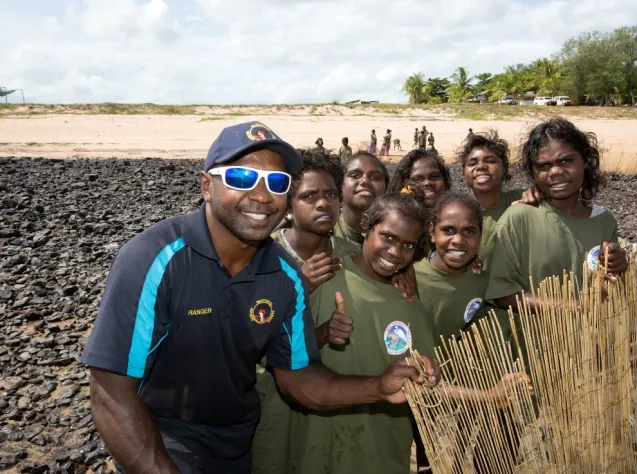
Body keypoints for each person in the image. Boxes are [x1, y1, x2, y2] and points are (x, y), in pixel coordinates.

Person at [81, 121, 438, 474]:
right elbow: (111, 394)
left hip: (239, 440)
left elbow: (299, 379)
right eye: (241, 178)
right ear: (206, 185)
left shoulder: (284, 277)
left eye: (276, 182)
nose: (262, 195)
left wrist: (378, 387)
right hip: (162, 434)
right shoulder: (153, 259)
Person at [287, 188, 438, 474]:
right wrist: (322, 333)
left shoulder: (407, 301)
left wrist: (429, 371)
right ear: (367, 226)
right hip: (318, 450)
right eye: (388, 237)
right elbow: (282, 356)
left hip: (383, 453)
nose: (395, 252)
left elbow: (426, 372)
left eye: (408, 245)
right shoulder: (325, 280)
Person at [254, 149, 358, 474]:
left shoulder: (354, 255)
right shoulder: (262, 257)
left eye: (330, 194)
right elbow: (254, 341)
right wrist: (299, 287)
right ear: (289, 204)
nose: (323, 203)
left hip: (336, 392)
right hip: (275, 399)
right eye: (309, 196)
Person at [486, 117, 628, 318]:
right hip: (537, 344)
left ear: (586, 161)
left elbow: (608, 285)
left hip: (595, 341)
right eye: (543, 166)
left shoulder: (604, 221)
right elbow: (502, 294)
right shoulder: (518, 218)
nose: (555, 172)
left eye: (566, 161)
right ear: (533, 173)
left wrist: (619, 264)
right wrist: (574, 307)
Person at [415, 192, 489, 346]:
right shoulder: (410, 280)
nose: (458, 240)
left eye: (469, 231)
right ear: (432, 232)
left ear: (480, 236)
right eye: (448, 230)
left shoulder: (483, 282)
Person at [460, 129, 537, 265]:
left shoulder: (524, 199)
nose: (481, 166)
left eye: (490, 161)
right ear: (464, 173)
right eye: (472, 163)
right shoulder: (459, 213)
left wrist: (538, 200)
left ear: (505, 168)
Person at [333, 151, 389, 247]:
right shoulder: (325, 232)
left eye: (375, 177)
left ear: (386, 187)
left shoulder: (395, 233)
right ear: (340, 185)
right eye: (355, 176)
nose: (365, 181)